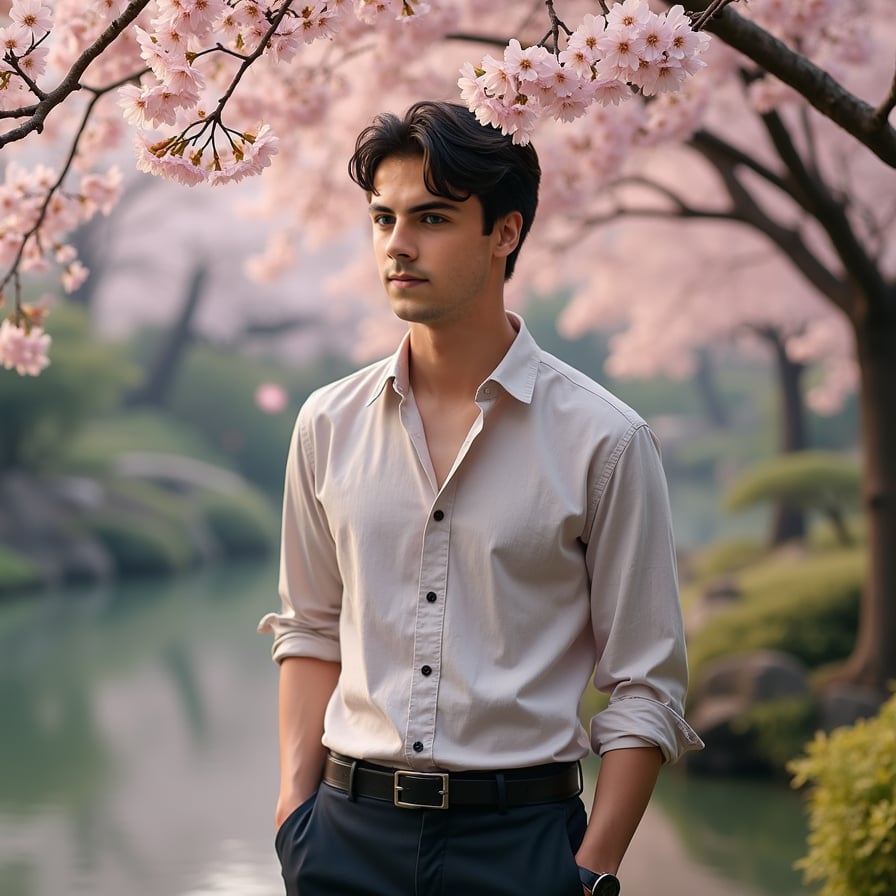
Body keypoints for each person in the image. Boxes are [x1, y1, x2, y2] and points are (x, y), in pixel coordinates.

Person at [258, 99, 703, 896]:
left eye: (431, 218)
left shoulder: (606, 441)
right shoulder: (326, 423)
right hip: (342, 842)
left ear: (505, 233)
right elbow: (310, 627)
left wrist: (590, 872)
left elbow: (646, 681)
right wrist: (296, 811)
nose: (398, 245)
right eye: (383, 217)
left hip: (523, 849)